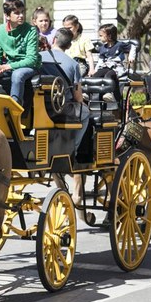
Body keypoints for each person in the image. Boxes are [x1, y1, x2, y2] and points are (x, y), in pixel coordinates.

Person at [41, 28, 90, 207]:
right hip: (62, 109)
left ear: (53, 39)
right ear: (69, 45)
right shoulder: (72, 64)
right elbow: (77, 97)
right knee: (86, 113)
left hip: (40, 110)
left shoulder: (39, 57)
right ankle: (73, 149)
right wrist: (83, 103)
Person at [0, 0, 40, 104]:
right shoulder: (0, 30)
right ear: (7, 16)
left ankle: (14, 108)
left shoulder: (31, 30)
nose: (21, 15)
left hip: (29, 67)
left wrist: (7, 67)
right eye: (17, 13)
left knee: (17, 75)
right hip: (9, 66)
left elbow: (31, 60)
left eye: (22, 12)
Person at [91, 23, 136, 104]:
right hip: (105, 67)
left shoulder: (119, 45)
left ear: (109, 36)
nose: (99, 38)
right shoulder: (102, 48)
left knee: (108, 76)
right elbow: (100, 60)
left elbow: (133, 46)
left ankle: (108, 93)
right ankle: (88, 93)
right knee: (95, 76)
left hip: (116, 68)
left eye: (101, 36)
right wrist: (95, 70)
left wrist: (131, 56)